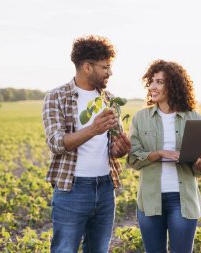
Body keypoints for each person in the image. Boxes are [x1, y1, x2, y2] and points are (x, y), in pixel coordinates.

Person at [42, 35, 131, 253]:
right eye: (105, 67)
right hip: (72, 189)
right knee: (65, 249)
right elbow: (56, 143)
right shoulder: (56, 97)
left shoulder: (109, 98)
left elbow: (111, 147)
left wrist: (120, 149)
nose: (109, 72)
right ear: (87, 67)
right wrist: (93, 129)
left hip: (104, 187)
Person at [127, 60, 201, 253]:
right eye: (151, 81)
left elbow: (196, 169)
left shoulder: (194, 119)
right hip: (150, 200)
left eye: (159, 82)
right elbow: (133, 159)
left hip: (182, 201)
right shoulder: (140, 118)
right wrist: (159, 154)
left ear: (173, 85)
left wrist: (200, 166)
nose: (152, 87)